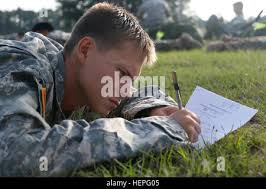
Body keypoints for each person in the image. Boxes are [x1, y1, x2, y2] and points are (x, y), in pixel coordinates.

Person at [0, 2, 200, 176]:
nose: (124, 90)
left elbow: (139, 93)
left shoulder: (81, 78)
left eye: (130, 80)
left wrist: (151, 109)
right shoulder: (23, 64)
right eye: (121, 73)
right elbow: (15, 155)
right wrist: (160, 129)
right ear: (85, 50)